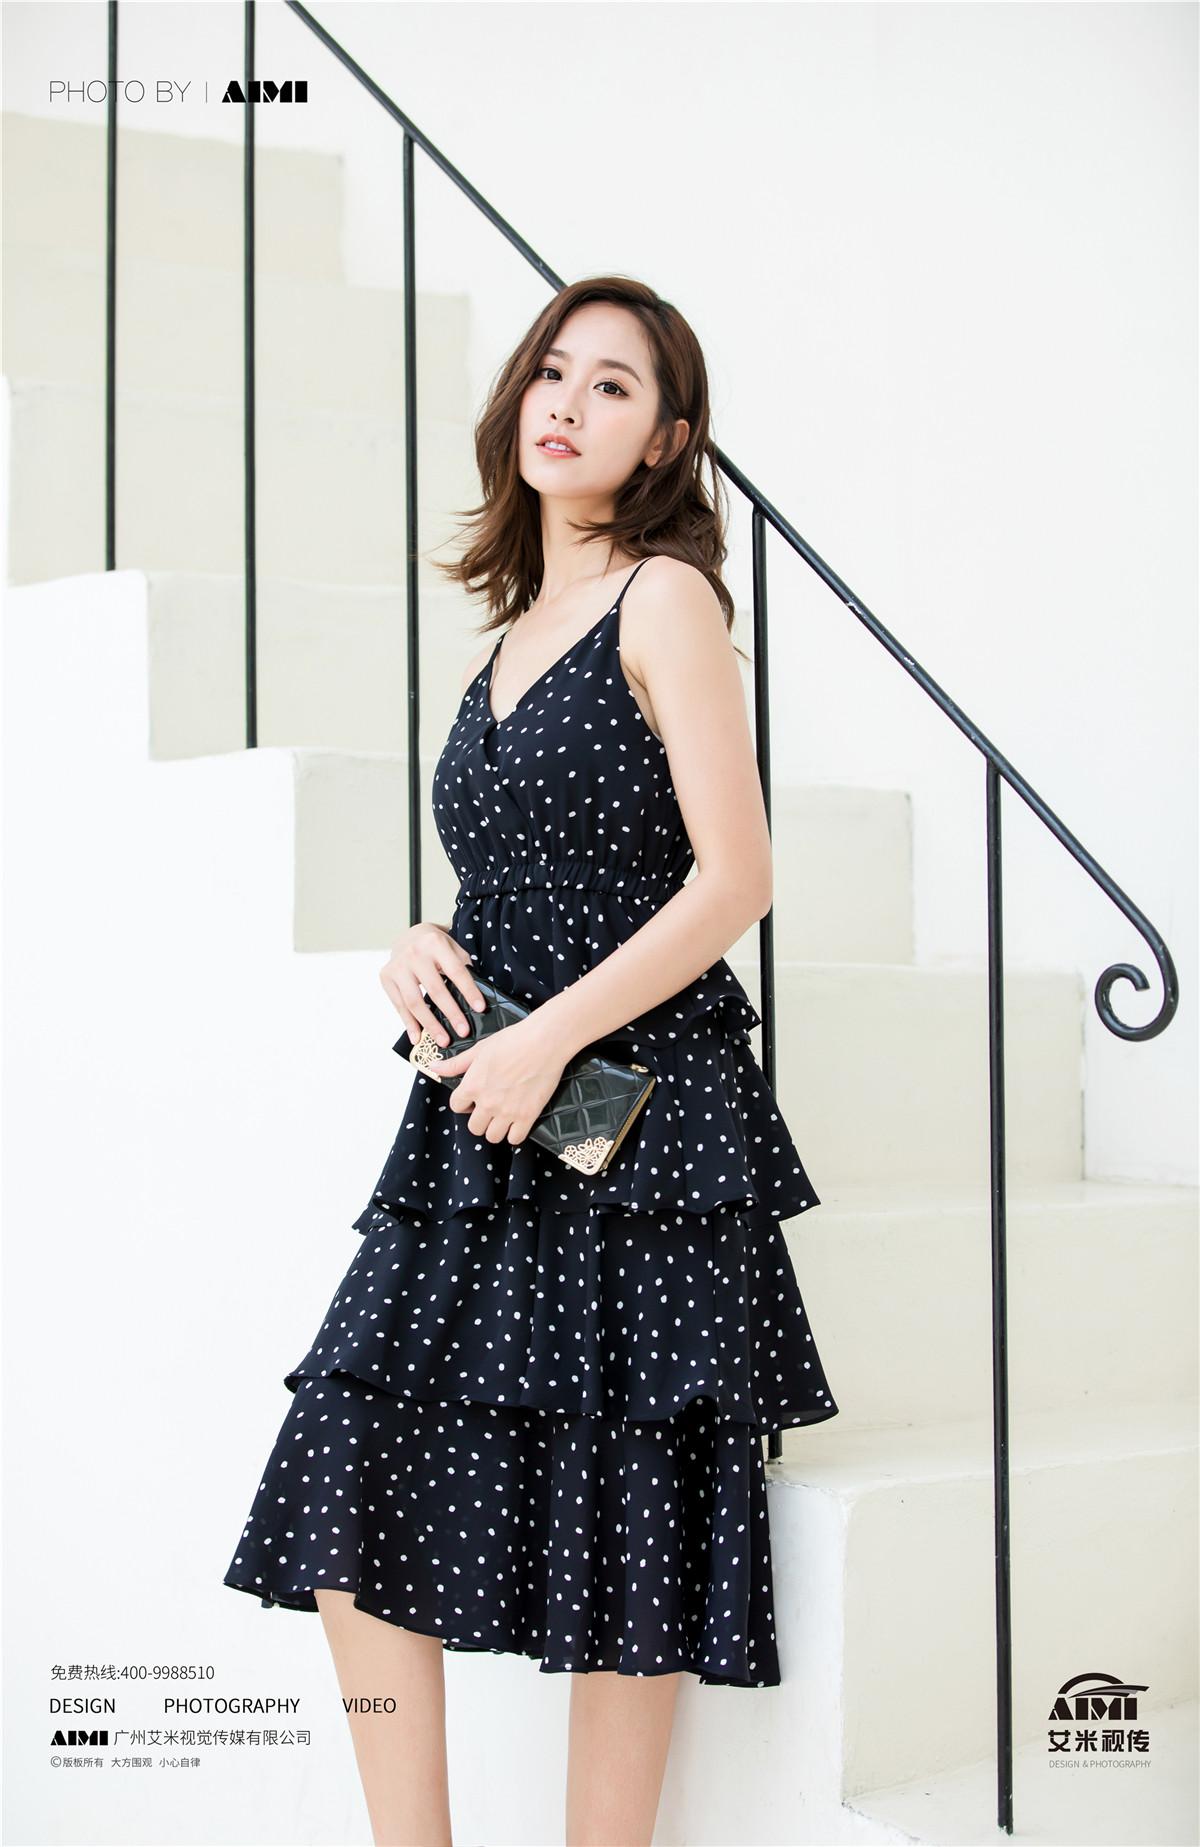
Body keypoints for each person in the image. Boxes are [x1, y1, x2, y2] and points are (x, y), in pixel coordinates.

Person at [223, 275, 839, 1847]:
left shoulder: (665, 599)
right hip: (485, 1111)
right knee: (351, 1476)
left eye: (613, 385)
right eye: (552, 371)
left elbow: (736, 876)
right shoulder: (508, 634)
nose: (566, 401)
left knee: (628, 1518)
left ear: (668, 439)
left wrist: (553, 1032)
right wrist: (422, 944)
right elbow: (533, 868)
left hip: (639, 1119)